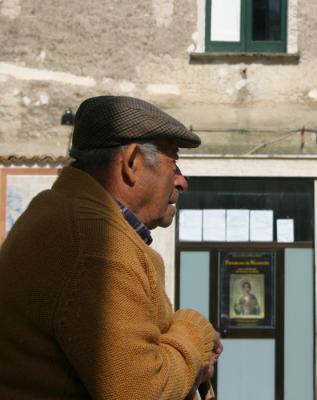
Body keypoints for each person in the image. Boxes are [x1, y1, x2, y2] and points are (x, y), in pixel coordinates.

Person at [0, 96, 222, 400]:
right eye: (174, 163)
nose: (182, 182)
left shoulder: (67, 215)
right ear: (132, 163)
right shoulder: (93, 241)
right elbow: (142, 391)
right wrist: (195, 332)